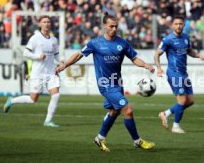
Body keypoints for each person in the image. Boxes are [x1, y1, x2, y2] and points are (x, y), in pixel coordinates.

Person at [56, 12, 155, 152]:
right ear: (104, 26)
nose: (114, 29)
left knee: (114, 111)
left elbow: (134, 58)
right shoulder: (95, 43)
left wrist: (146, 65)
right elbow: (79, 54)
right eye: (111, 26)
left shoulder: (122, 43)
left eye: (116, 26)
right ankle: (137, 141)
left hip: (117, 83)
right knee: (128, 109)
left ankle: (100, 138)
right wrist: (65, 65)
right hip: (105, 84)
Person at [3, 16, 64, 127]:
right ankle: (11, 101)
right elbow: (26, 53)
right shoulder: (35, 38)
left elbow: (56, 55)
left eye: (48, 22)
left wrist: (62, 60)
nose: (47, 24)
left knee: (56, 95)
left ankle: (48, 121)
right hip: (38, 73)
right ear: (40, 24)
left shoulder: (54, 40)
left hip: (51, 72)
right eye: (44, 22)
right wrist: (38, 56)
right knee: (33, 99)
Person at [154, 16, 204, 134]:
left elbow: (189, 51)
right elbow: (157, 54)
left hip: (184, 73)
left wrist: (199, 56)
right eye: (176, 24)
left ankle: (165, 113)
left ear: (184, 25)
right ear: (172, 25)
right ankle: (176, 126)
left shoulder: (185, 37)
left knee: (190, 101)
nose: (178, 26)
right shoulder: (168, 39)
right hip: (174, 73)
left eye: (180, 24)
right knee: (182, 100)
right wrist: (159, 68)